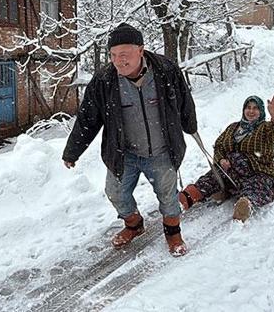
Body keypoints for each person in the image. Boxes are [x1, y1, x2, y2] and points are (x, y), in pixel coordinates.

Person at [62, 23, 197, 257]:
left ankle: (172, 231)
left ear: (140, 50)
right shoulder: (105, 80)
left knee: (167, 194)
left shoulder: (165, 70)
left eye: (123, 55)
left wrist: (190, 125)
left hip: (161, 151)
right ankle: (134, 224)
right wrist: (72, 151)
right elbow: (88, 118)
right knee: (115, 193)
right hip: (124, 153)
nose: (118, 61)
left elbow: (184, 99)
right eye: (113, 55)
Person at [178, 94, 274, 221]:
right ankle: (188, 197)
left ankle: (245, 205)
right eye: (248, 107)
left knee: (258, 188)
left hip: (257, 173)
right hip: (231, 173)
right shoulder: (233, 127)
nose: (251, 111)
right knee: (213, 177)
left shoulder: (265, 128)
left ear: (261, 111)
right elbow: (219, 146)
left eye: (255, 108)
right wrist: (221, 160)